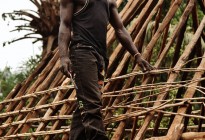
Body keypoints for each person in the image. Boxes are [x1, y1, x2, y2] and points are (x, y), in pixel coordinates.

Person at [58, 0, 154, 139]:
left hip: (100, 58)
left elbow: (120, 29)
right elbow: (65, 25)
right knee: (91, 104)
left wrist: (137, 55)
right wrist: (63, 57)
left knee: (85, 105)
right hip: (82, 53)